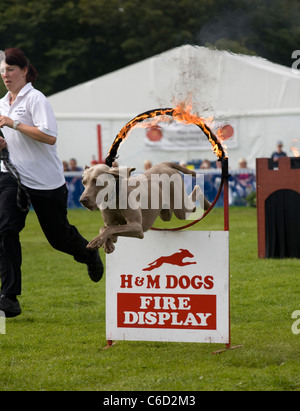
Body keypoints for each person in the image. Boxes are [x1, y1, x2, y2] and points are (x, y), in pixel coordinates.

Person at [0, 48, 103, 318]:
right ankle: (9, 297)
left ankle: (89, 254)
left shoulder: (36, 99)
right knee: (5, 228)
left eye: (10, 69)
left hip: (45, 181)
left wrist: (14, 124)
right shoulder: (2, 102)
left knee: (59, 238)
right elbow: (8, 140)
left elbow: (49, 136)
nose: (5, 75)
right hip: (12, 176)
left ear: (24, 70)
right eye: (2, 70)